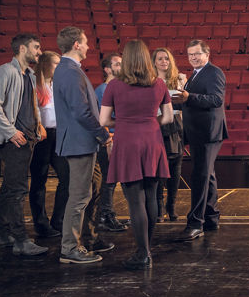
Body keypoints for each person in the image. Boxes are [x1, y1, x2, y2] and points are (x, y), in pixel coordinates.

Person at [100, 40, 173, 270]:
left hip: (127, 143)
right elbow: (169, 118)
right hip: (152, 141)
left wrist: (123, 122)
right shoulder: (159, 84)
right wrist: (149, 122)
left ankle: (143, 253)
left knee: (135, 202)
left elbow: (103, 121)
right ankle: (146, 249)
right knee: (151, 197)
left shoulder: (114, 86)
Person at [53, 26, 114, 264]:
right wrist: (101, 133)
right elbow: (80, 111)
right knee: (79, 197)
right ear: (76, 44)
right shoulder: (69, 71)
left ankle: (78, 242)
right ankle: (69, 248)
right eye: (86, 42)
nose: (89, 46)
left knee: (83, 194)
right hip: (79, 142)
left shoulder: (70, 70)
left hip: (81, 141)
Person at [0, 34, 48, 256]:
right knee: (18, 190)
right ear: (22, 48)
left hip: (28, 138)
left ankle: (2, 234)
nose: (39, 52)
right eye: (36, 47)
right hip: (15, 141)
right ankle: (21, 240)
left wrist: (38, 125)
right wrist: (11, 132)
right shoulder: (5, 71)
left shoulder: (28, 75)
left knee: (9, 188)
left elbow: (30, 105)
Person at [172, 39, 227, 241]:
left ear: (207, 54)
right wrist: (169, 103)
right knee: (207, 176)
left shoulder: (214, 72)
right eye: (190, 55)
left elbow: (216, 99)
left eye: (197, 54)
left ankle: (196, 223)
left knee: (200, 177)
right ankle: (211, 217)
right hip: (197, 133)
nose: (193, 57)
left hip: (208, 133)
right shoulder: (194, 76)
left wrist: (188, 97)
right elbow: (189, 101)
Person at [28, 50, 66, 238]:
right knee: (39, 180)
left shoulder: (57, 84)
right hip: (41, 137)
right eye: (55, 63)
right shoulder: (35, 84)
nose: (58, 67)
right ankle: (41, 224)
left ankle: (58, 220)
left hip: (58, 135)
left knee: (66, 177)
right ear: (45, 64)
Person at [94, 53, 128, 232]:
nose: (122, 66)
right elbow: (101, 119)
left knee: (114, 179)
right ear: (107, 69)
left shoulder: (119, 88)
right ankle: (104, 216)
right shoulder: (102, 90)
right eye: (117, 64)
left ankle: (107, 214)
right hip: (109, 141)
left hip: (121, 138)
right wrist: (108, 140)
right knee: (109, 179)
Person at [152, 47, 186, 222]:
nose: (164, 61)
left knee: (175, 169)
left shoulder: (178, 80)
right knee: (158, 170)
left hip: (175, 126)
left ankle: (171, 207)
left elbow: (184, 105)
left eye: (166, 58)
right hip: (157, 125)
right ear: (154, 62)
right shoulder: (150, 81)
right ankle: (158, 209)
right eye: (160, 59)